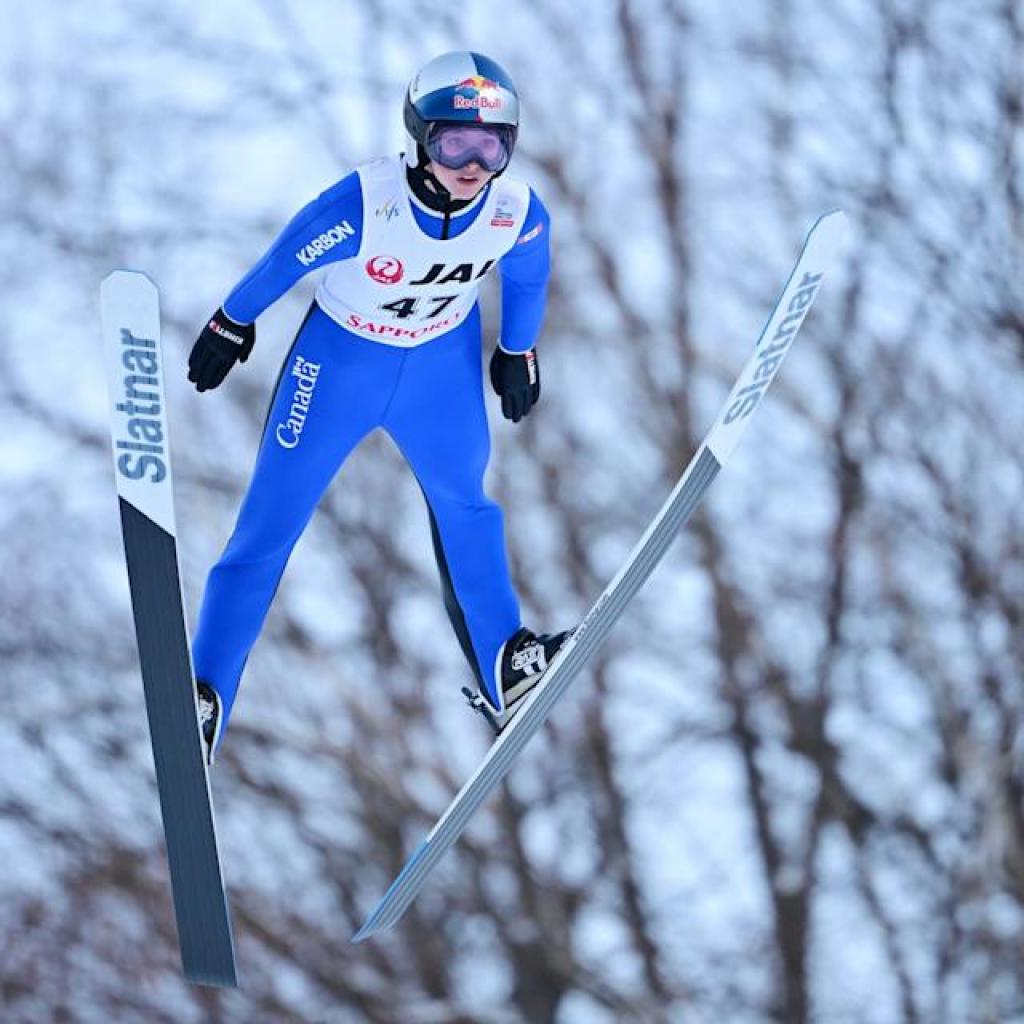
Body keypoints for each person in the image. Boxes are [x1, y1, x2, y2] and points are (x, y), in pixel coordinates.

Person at [186, 51, 571, 763]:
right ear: (421, 137)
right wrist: (233, 320)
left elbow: (528, 274)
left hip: (438, 372)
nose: (473, 163)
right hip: (340, 366)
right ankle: (203, 695)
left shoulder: (516, 211)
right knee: (268, 527)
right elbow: (287, 257)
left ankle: (506, 664)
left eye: (493, 145)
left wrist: (517, 350)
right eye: (456, 141)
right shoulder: (368, 202)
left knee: (467, 506)